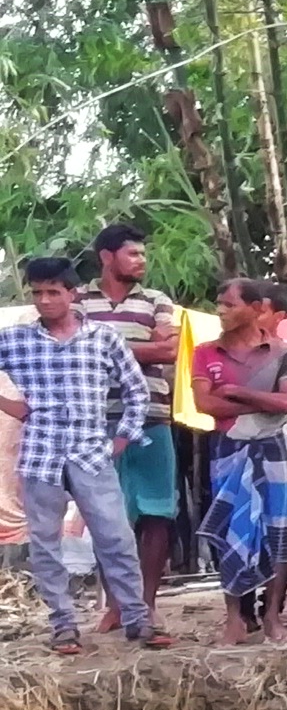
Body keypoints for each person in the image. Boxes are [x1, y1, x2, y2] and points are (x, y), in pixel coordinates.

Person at [0, 256, 168, 652]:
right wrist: (13, 407)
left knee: (116, 537)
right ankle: (62, 625)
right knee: (45, 542)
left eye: (53, 292)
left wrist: (122, 439)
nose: (44, 301)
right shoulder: (16, 339)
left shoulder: (103, 338)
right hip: (41, 452)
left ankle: (137, 619)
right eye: (38, 293)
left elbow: (136, 391)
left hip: (92, 451)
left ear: (72, 293)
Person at [190, 279, 287, 643]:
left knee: (278, 529)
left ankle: (272, 616)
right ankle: (235, 618)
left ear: (256, 309)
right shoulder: (206, 351)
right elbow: (205, 405)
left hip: (271, 448)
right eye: (219, 304)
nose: (220, 311)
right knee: (230, 529)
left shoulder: (284, 352)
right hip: (229, 448)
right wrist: (262, 401)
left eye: (228, 304)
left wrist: (238, 392)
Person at [77, 225, 179, 630]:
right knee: (106, 513)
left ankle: (146, 603)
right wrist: (142, 349)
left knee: (157, 512)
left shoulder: (156, 300)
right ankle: (117, 604)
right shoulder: (78, 299)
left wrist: (106, 347)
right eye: (132, 253)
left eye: (142, 254)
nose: (141, 260)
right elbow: (73, 349)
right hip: (95, 420)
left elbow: (169, 349)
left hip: (153, 415)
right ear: (106, 257)